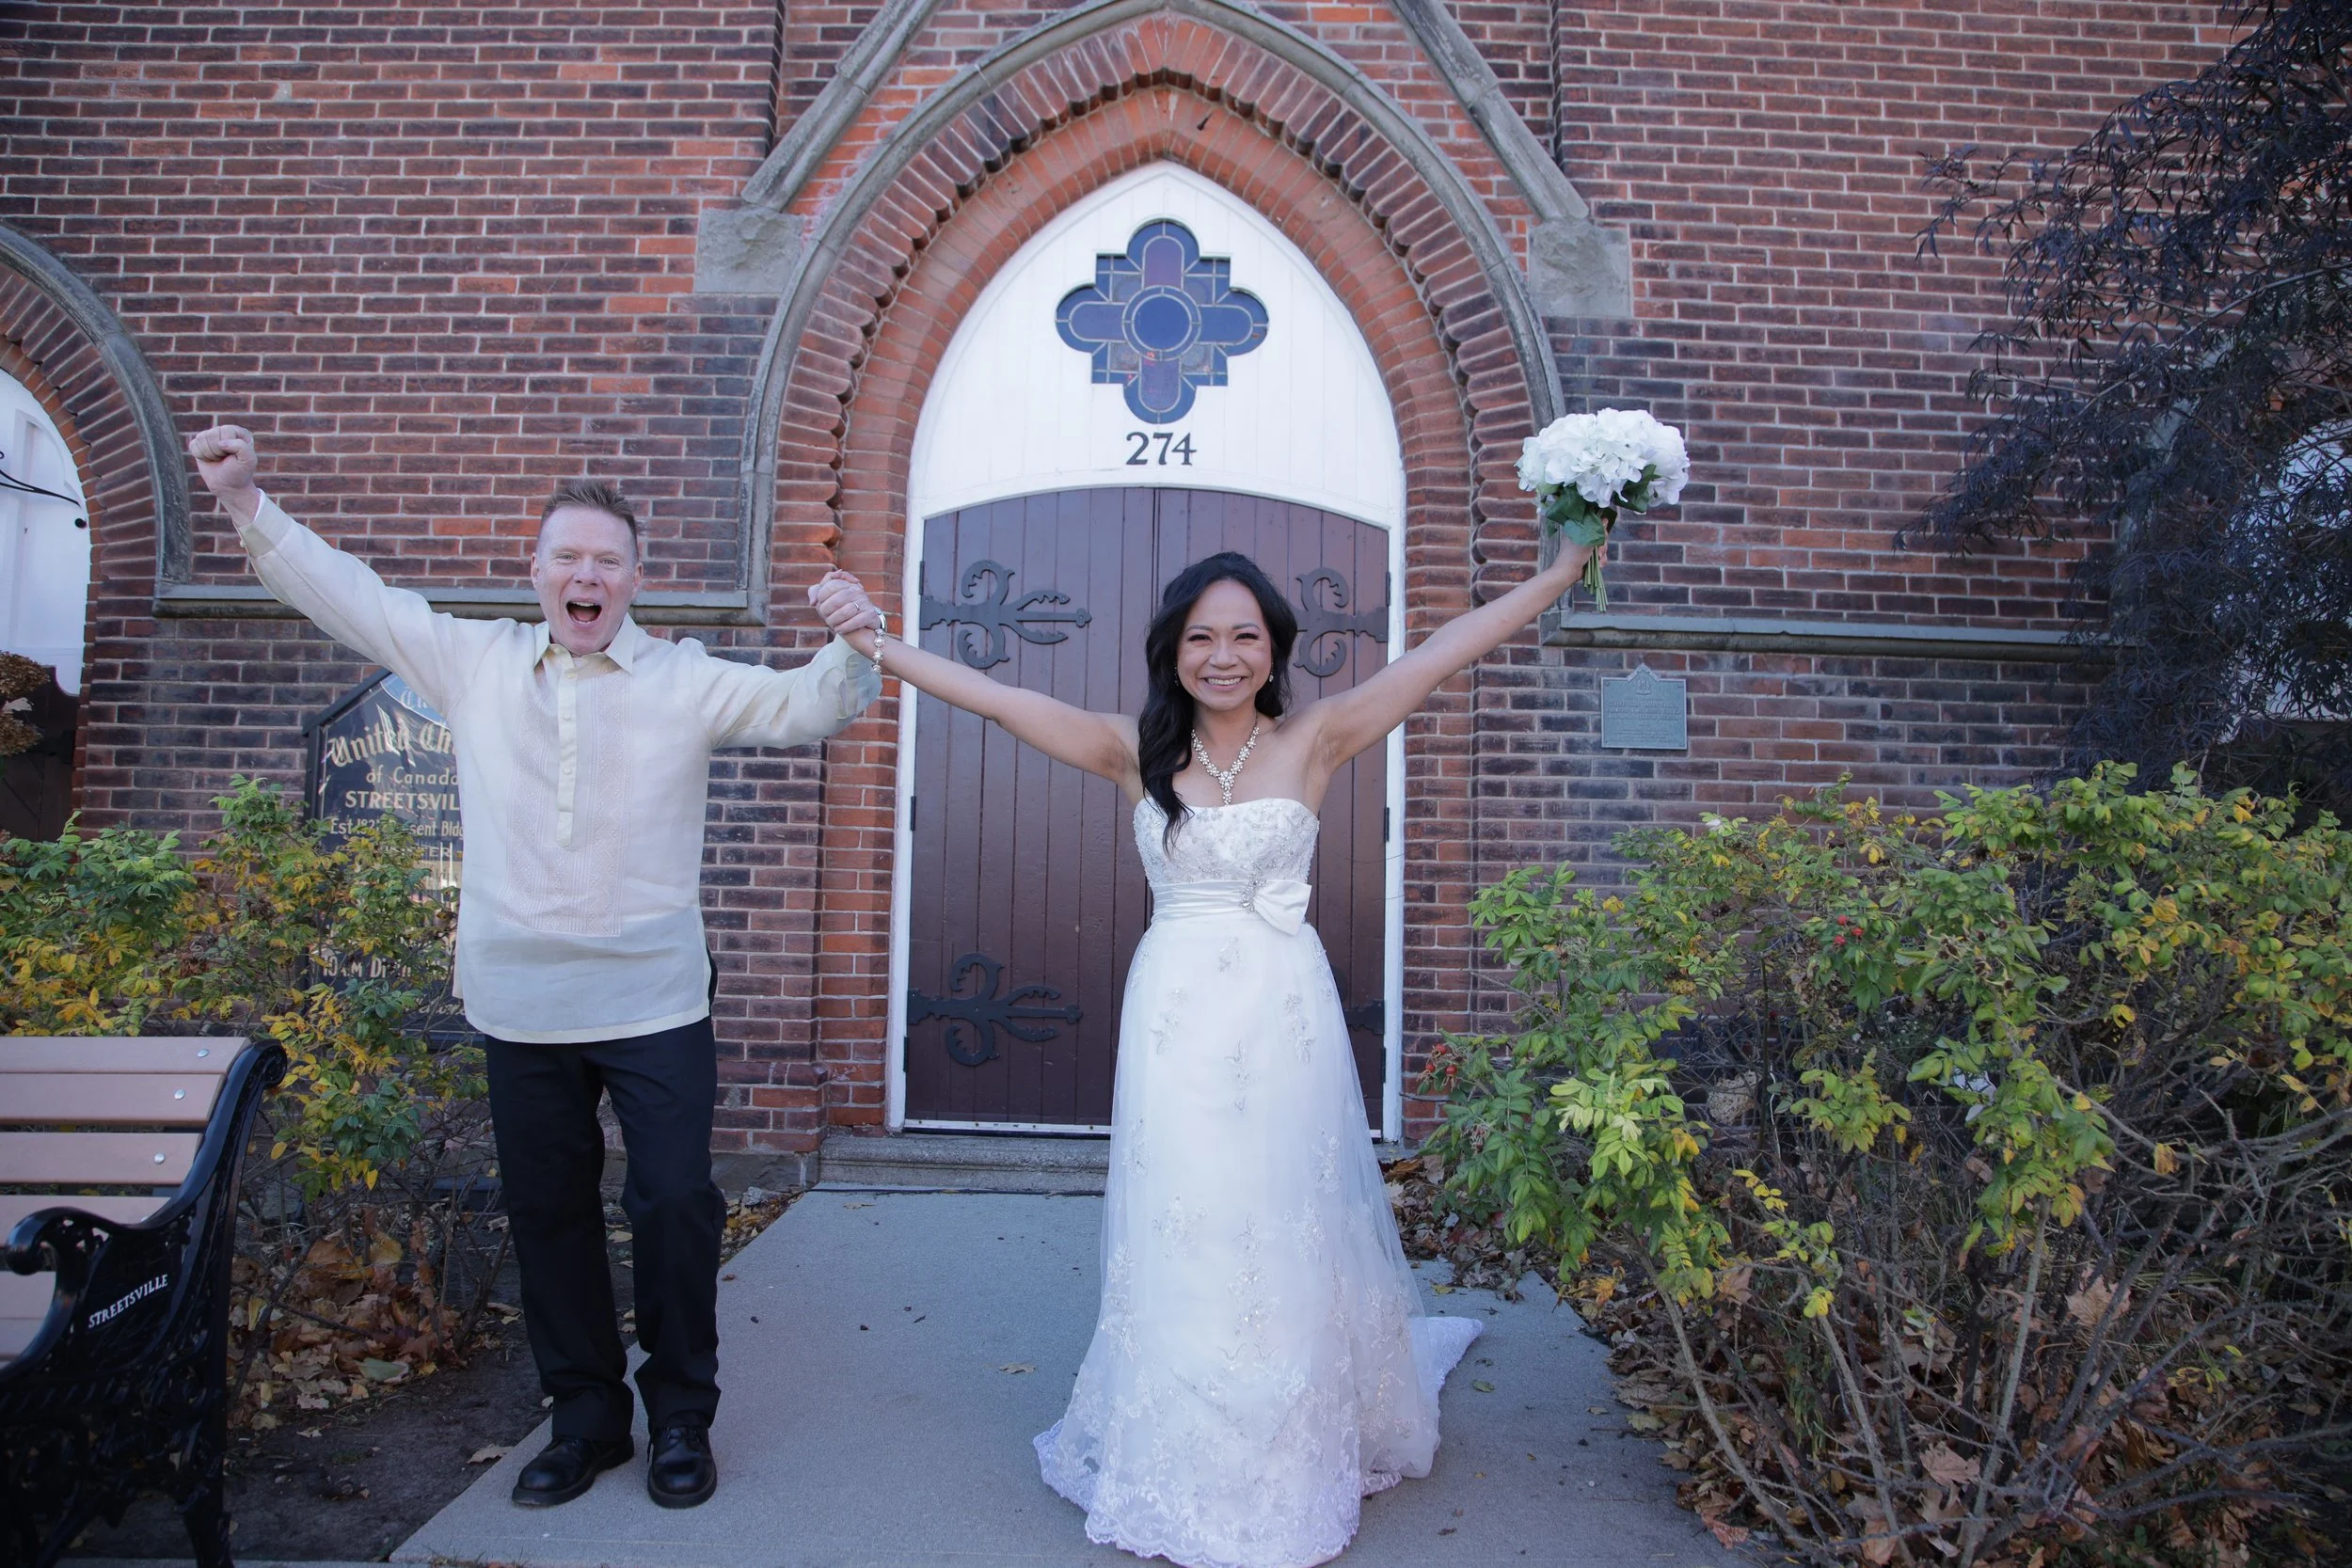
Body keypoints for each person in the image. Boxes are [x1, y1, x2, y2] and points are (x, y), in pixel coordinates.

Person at [813, 528, 1602, 1568]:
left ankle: (1289, 1432)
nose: (1221, 654)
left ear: (1274, 650)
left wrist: (1553, 576)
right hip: (1178, 1013)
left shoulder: (1317, 738)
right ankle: (1186, 1440)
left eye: (1242, 635)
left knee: (1280, 1209)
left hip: (1282, 1012)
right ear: (1171, 651)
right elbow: (994, 698)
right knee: (1187, 1217)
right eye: (1199, 636)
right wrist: (876, 640)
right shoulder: (1128, 749)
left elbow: (1438, 652)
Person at [187, 425, 883, 1512]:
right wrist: (247, 503)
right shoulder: (474, 662)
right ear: (538, 573)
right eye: (567, 557)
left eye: (607, 559)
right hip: (520, 1002)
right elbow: (355, 596)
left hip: (653, 999)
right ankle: (585, 1419)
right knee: (549, 1212)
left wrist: (853, 639)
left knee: (673, 1203)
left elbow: (811, 703)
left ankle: (681, 1420)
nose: (586, 575)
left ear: (636, 579)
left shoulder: (684, 680)